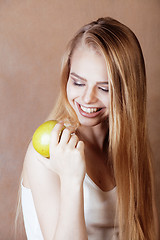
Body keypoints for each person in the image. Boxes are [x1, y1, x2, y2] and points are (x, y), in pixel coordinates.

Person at [16, 17, 158, 240]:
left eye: (104, 88)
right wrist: (72, 178)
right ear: (67, 77)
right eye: (78, 83)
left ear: (128, 93)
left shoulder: (131, 149)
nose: (87, 98)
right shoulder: (45, 154)